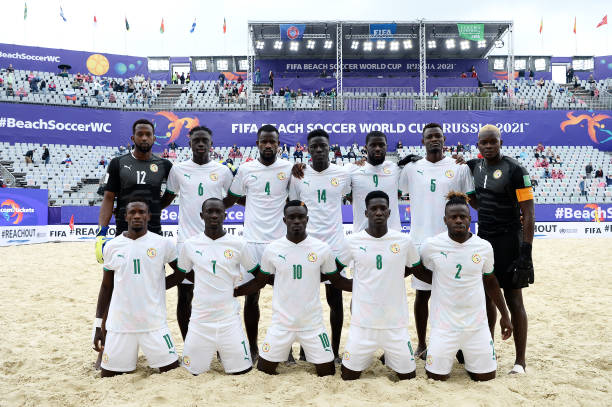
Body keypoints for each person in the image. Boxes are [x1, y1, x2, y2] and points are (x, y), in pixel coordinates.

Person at [234, 201, 352, 376]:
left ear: (307, 219)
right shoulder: (272, 249)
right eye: (292, 217)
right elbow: (259, 282)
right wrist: (233, 292)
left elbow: (336, 280)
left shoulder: (322, 249)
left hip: (312, 325)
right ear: (284, 220)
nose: (296, 221)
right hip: (281, 325)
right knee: (264, 371)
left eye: (300, 217)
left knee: (327, 372)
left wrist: (366, 287)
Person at [398, 123, 475, 359]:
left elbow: (470, 200)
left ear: (444, 140)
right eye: (429, 136)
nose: (434, 140)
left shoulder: (459, 168)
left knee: (455, 295)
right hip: (420, 241)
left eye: (438, 136)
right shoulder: (411, 169)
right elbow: (399, 189)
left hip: (452, 242)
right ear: (423, 141)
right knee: (423, 295)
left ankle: (458, 344)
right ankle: (421, 343)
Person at [419, 192, 513, 381]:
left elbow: (491, 282)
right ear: (445, 220)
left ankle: (469, 358)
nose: (458, 220)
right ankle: (441, 351)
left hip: (476, 327)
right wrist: (441, 281)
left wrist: (505, 314)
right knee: (436, 378)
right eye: (453, 217)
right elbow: (420, 271)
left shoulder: (484, 247)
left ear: (470, 219)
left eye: (463, 216)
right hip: (444, 327)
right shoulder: (431, 246)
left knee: (486, 377)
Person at [466, 124, 535, 374]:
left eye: (492, 142)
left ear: (501, 142)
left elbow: (528, 213)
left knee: (514, 298)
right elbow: (479, 202)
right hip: (484, 241)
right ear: (478, 145)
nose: (488, 146)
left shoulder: (516, 170)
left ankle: (520, 361)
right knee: (486, 299)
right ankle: (488, 351)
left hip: (510, 241)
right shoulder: (473, 167)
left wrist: (526, 250)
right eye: (483, 143)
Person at [223, 125, 293, 361]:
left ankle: (287, 350)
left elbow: (294, 201)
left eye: (272, 142)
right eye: (264, 142)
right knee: (251, 297)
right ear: (257, 144)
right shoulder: (245, 169)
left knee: (285, 297)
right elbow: (231, 199)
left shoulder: (288, 168)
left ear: (278, 144)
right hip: (251, 243)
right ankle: (252, 348)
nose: (268, 145)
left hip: (280, 243)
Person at [92, 198, 183, 377]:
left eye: (141, 212)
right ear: (125, 216)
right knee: (108, 375)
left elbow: (181, 273)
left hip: (153, 324)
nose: (137, 216)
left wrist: (155, 287)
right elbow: (106, 287)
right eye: (132, 212)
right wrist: (98, 326)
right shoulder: (111, 246)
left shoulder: (163, 244)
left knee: (171, 372)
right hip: (120, 325)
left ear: (149, 216)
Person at [337, 191, 422, 381]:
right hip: (363, 325)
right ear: (366, 213)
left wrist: (391, 276)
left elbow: (414, 269)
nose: (378, 212)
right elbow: (334, 273)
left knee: (408, 377)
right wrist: (357, 286)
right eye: (373, 209)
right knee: (348, 376)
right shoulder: (353, 241)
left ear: (389, 212)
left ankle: (392, 356)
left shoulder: (404, 241)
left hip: (395, 325)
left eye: (382, 208)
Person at [164, 126, 234, 339]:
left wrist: (215, 214)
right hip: (186, 242)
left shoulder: (223, 171)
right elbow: (166, 199)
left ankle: (222, 342)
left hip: (215, 242)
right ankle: (189, 342)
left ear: (211, 144)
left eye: (205, 140)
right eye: (197, 141)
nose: (201, 144)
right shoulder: (178, 169)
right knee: (184, 295)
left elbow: (232, 199)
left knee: (218, 294)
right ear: (190, 144)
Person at [289, 129, 352, 363]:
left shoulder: (343, 173)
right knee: (306, 301)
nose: (318, 150)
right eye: (313, 146)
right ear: (307, 149)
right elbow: (293, 205)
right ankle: (306, 349)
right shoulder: (298, 175)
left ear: (329, 147)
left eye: (322, 146)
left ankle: (334, 350)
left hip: (335, 247)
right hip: (307, 246)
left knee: (335, 300)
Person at [177, 198, 257, 375]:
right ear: (201, 215)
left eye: (218, 212)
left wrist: (240, 291)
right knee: (192, 373)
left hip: (229, 320)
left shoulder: (239, 244)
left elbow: (259, 275)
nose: (214, 215)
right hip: (199, 322)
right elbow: (181, 274)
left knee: (241, 372)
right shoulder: (190, 245)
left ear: (225, 215)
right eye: (209, 212)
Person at [96, 119, 174, 261]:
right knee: (121, 278)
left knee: (154, 278)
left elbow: (172, 193)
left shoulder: (165, 165)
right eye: (140, 134)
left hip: (154, 231)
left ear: (154, 138)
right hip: (123, 231)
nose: (144, 138)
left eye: (148, 134)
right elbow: (108, 198)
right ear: (133, 138)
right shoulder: (118, 163)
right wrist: (101, 233)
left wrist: (156, 206)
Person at [349, 131, 402, 232]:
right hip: (362, 237)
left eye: (381, 145)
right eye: (373, 145)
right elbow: (348, 195)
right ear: (366, 147)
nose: (377, 148)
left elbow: (399, 193)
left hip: (393, 236)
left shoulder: (395, 169)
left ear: (386, 146)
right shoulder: (352, 170)